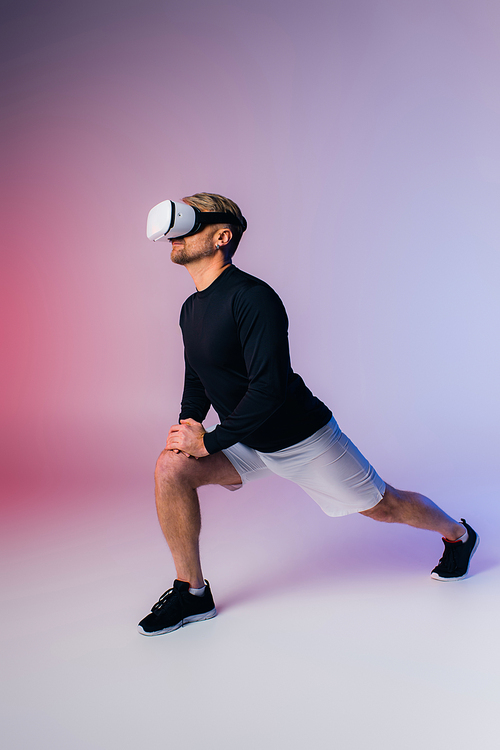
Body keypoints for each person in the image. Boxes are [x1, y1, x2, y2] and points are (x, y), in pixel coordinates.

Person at [138, 192, 479, 636]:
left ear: (222, 237)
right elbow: (199, 376)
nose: (176, 237)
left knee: (385, 507)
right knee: (170, 469)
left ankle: (459, 534)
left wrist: (211, 441)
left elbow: (270, 390)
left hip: (303, 440)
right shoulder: (191, 308)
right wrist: (188, 425)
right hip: (247, 442)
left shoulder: (253, 298)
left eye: (190, 225)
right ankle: (193, 594)